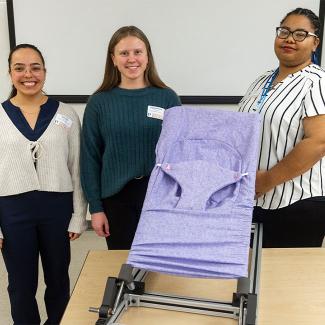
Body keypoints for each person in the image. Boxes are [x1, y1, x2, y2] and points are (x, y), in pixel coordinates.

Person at [0, 44, 87, 324]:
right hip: (12, 210)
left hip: (56, 209)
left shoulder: (66, 114)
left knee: (59, 280)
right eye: (20, 68)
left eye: (35, 67)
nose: (29, 74)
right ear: (9, 72)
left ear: (45, 71)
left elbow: (77, 169)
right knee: (21, 285)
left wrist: (77, 217)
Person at [81, 26, 181, 250]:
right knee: (123, 267)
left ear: (147, 57)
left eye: (138, 52)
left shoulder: (167, 97)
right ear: (113, 59)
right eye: (124, 53)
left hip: (160, 198)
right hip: (117, 200)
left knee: (159, 265)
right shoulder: (99, 102)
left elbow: (180, 153)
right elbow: (90, 158)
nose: (131, 59)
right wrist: (95, 209)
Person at [238, 8, 325, 248]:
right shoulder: (261, 80)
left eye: (300, 34)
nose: (289, 39)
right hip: (252, 202)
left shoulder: (317, 82)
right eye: (284, 31)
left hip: (297, 205)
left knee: (285, 283)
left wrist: (266, 180)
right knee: (249, 281)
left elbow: (318, 142)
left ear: (315, 43)